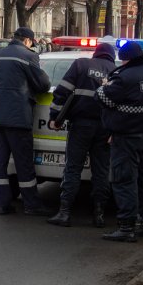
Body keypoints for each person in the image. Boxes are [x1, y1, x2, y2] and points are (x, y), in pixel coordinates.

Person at [95, 41, 143, 242]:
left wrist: (103, 87)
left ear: (126, 59)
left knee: (124, 179)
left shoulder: (125, 77)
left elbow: (103, 99)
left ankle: (126, 227)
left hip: (127, 135)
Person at [46, 43, 117, 228]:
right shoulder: (116, 72)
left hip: (81, 125)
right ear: (110, 56)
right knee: (101, 171)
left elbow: (62, 92)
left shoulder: (81, 65)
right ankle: (99, 215)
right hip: (105, 128)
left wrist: (55, 117)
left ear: (96, 54)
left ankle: (64, 212)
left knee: (73, 168)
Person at [0, 27, 52, 216]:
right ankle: (31, 204)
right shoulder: (28, 56)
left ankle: (2, 203)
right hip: (18, 117)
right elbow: (43, 85)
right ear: (27, 41)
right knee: (23, 163)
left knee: (0, 163)